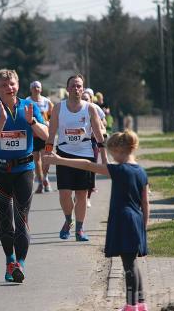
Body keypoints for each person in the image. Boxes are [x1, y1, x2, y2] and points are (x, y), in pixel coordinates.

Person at [43, 130, 149, 311]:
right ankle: (140, 303)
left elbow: (86, 165)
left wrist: (59, 160)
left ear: (119, 150)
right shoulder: (141, 171)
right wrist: (144, 226)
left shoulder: (118, 170)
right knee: (133, 263)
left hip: (123, 220)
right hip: (136, 219)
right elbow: (145, 203)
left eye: (112, 154)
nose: (111, 158)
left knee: (128, 265)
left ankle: (131, 305)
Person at [0, 69, 48, 283]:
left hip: (24, 171)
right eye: (3, 85)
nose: (9, 88)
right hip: (0, 171)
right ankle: (10, 260)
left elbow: (46, 135)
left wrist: (31, 122)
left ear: (18, 85)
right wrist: (1, 121)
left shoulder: (30, 107)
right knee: (5, 221)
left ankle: (20, 264)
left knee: (21, 219)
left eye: (12, 84)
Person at [45, 74, 107, 242]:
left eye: (79, 86)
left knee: (81, 194)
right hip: (63, 154)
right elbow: (51, 135)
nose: (76, 89)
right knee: (64, 193)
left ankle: (79, 229)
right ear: (67, 89)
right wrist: (47, 154)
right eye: (73, 86)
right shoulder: (58, 108)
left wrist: (104, 160)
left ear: (83, 88)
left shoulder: (90, 108)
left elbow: (99, 135)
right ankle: (68, 220)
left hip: (85, 154)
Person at [26, 81, 54, 193]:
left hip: (45, 135)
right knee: (36, 159)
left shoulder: (47, 102)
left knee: (46, 157)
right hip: (33, 135)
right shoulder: (27, 101)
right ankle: (41, 181)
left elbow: (53, 116)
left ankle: (45, 178)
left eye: (38, 87)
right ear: (31, 89)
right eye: (34, 87)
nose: (36, 89)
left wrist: (49, 123)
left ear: (41, 89)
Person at [81, 89, 107, 208]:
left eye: (86, 99)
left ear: (91, 100)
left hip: (92, 142)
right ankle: (79, 194)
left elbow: (103, 126)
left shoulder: (95, 109)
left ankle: (87, 197)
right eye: (82, 99)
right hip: (79, 144)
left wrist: (97, 131)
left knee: (91, 169)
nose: (84, 101)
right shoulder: (76, 109)